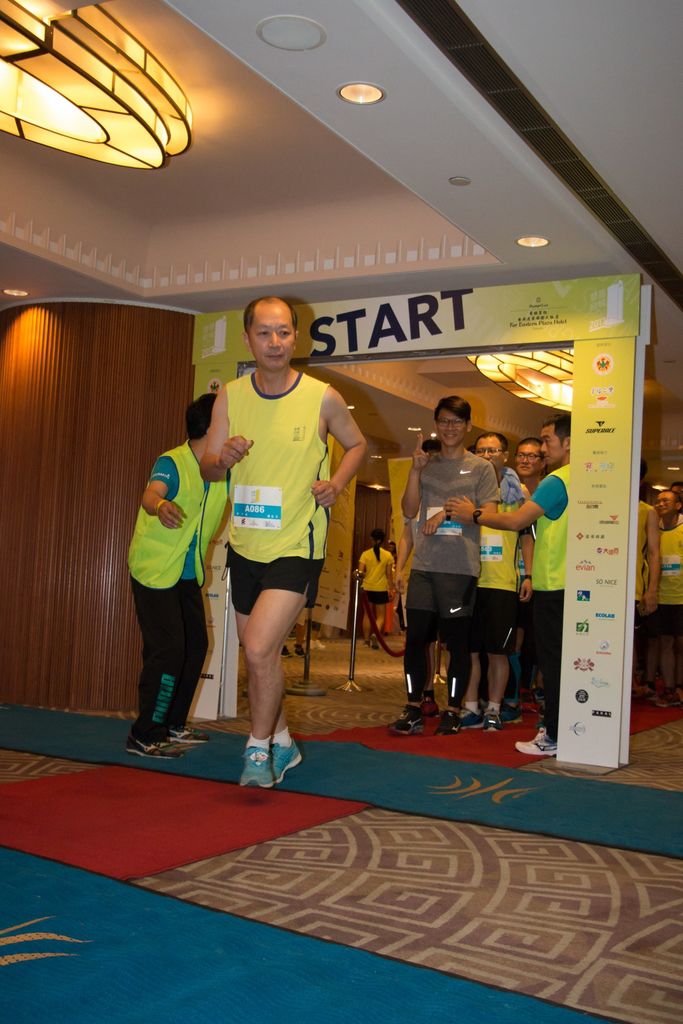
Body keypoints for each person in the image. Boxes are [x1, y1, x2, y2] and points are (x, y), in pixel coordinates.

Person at [200, 296, 366, 787]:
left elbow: (357, 444)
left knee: (256, 648)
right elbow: (208, 467)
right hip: (245, 543)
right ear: (248, 338)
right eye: (264, 333)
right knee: (262, 655)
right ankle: (284, 741)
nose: (275, 342)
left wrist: (336, 484)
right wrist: (223, 458)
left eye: (284, 332)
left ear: (296, 337)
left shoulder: (322, 397)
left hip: (298, 542)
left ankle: (257, 749)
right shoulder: (230, 396)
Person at [449, 411, 571, 757]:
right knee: (559, 664)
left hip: (552, 584)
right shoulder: (587, 478)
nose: (542, 449)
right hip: (571, 583)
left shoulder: (556, 481)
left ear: (568, 442)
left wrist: (474, 514)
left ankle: (554, 733)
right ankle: (560, 730)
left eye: (546, 440)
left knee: (551, 664)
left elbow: (518, 521)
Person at [389, 395, 499, 737]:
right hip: (424, 565)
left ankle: (453, 711)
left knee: (456, 643)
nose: (450, 427)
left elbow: (490, 514)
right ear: (436, 424)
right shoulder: (426, 464)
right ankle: (413, 707)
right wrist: (415, 470)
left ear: (468, 425)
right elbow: (409, 510)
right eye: (444, 421)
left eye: (457, 421)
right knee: (416, 639)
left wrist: (454, 513)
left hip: (459, 569)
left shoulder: (481, 468)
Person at [126, 393, 228, 758]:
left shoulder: (220, 472)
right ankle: (144, 732)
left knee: (196, 645)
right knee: (167, 649)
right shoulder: (173, 461)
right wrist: (161, 504)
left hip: (186, 572)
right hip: (154, 569)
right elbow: (151, 494)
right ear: (212, 428)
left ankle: (173, 723)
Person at [460, 433, 533, 731]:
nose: (487, 455)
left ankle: (494, 709)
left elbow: (526, 537)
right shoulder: (466, 488)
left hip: (502, 583)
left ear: (505, 454)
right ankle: (469, 708)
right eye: (481, 450)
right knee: (469, 650)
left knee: (498, 652)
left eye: (493, 450)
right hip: (468, 580)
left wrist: (528, 575)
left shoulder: (519, 493)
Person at [647, 489, 683, 705]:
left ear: (678, 505)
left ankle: (680, 686)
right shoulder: (654, 528)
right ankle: (669, 689)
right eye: (658, 501)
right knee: (666, 642)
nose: (660, 504)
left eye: (666, 501)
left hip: (681, 598)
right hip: (661, 597)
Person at [632, 459, 660, 698]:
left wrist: (651, 590)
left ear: (640, 480)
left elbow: (653, 553)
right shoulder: (599, 505)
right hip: (597, 586)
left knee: (628, 639)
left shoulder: (647, 511)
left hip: (633, 588)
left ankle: (630, 684)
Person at [358, 528, 394, 648]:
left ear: (372, 539)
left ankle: (366, 641)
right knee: (381, 617)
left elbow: (360, 572)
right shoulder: (388, 555)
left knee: (367, 615)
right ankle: (375, 634)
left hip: (367, 588)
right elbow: (389, 575)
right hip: (381, 589)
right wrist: (391, 589)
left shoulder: (365, 554)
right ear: (383, 541)